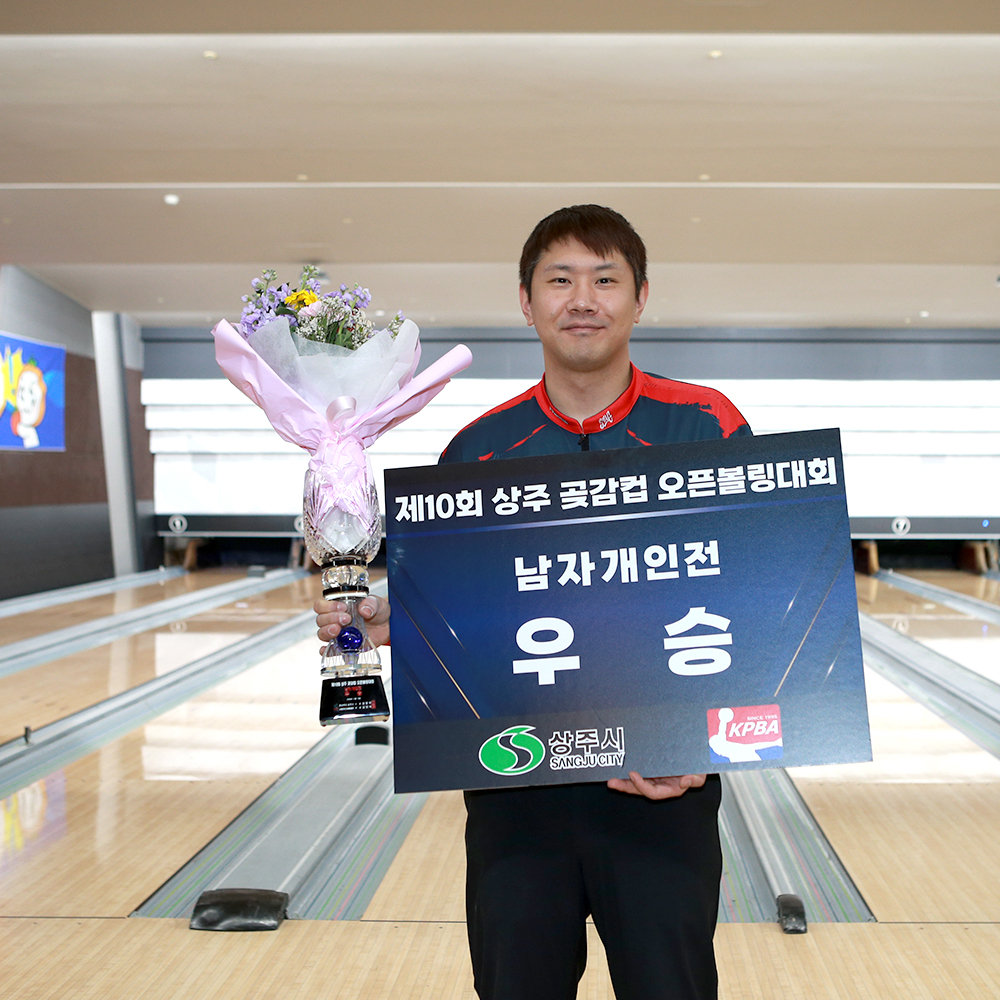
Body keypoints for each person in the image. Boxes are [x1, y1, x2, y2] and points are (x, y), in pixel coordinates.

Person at [315, 204, 751, 1000]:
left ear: (640, 297)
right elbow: (466, 617)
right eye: (560, 280)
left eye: (605, 280)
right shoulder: (477, 449)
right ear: (526, 300)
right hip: (516, 792)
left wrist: (701, 747)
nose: (582, 300)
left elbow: (755, 592)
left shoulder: (706, 424)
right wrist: (388, 622)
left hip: (660, 789)